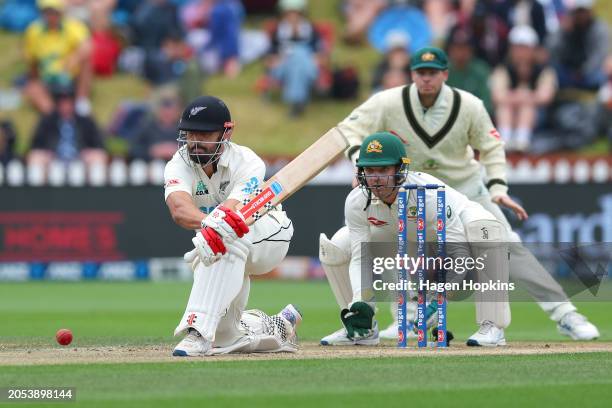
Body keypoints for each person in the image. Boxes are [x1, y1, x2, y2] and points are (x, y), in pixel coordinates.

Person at [331, 46, 599, 342]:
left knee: (506, 244)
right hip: (409, 190)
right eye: (421, 73)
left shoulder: (469, 105)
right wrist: (361, 165)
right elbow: (348, 129)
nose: (426, 79)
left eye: (433, 73)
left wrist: (497, 188)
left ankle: (564, 314)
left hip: (466, 190)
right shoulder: (387, 102)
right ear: (412, 75)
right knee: (377, 245)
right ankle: (403, 319)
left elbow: (492, 145)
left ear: (445, 74)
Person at [320, 132, 511, 347]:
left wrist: (439, 300)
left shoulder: (428, 195)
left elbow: (459, 255)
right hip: (403, 232)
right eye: (370, 170)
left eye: (383, 170)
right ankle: (362, 326)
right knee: (338, 245)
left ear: (400, 170)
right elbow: (359, 256)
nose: (375, 178)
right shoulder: (357, 201)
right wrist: (359, 300)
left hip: (457, 228)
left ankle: (493, 326)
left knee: (486, 231)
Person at [164, 95, 299, 356]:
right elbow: (179, 209)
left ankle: (197, 332)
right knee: (226, 337)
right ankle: (273, 325)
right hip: (222, 244)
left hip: (270, 234)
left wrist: (213, 226)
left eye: (203, 135)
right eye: (190, 134)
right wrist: (207, 222)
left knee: (227, 234)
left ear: (226, 133)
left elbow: (234, 212)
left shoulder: (248, 162)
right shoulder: (178, 163)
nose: (195, 142)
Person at [490, 25, 557, 152]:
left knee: (527, 106)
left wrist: (523, 97)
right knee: (504, 107)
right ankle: (505, 140)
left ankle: (522, 141)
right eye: (517, 48)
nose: (521, 52)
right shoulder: (503, 68)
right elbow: (497, 96)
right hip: (510, 112)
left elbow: (546, 96)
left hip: (538, 116)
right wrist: (522, 96)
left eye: (525, 48)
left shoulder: (544, 70)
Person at [23, 0, 92, 115]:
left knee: (87, 62)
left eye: (54, 12)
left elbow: (88, 46)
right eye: (47, 12)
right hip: (48, 78)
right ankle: (54, 114)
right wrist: (36, 80)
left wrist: (74, 59)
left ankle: (81, 102)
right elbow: (32, 62)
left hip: (70, 77)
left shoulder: (72, 26)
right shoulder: (33, 31)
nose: (50, 16)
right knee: (33, 88)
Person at [265, 0, 325, 117]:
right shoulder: (278, 31)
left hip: (307, 66)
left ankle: (296, 102)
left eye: (296, 13)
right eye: (289, 13)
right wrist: (278, 59)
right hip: (282, 68)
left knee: (298, 57)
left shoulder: (311, 30)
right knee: (297, 55)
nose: (293, 17)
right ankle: (300, 100)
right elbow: (269, 57)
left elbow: (320, 54)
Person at [27, 84, 106, 168]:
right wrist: (47, 152)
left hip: (79, 157)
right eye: (62, 103)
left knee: (98, 156)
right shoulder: (48, 120)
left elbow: (98, 143)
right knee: (35, 157)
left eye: (68, 102)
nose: (65, 106)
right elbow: (35, 144)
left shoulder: (85, 120)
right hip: (54, 158)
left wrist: (86, 152)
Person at [548, 0, 608, 90]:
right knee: (552, 69)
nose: (581, 15)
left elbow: (599, 56)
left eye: (583, 11)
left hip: (589, 72)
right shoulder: (566, 26)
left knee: (602, 73)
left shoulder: (599, 28)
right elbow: (550, 49)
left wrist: (583, 71)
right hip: (567, 71)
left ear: (590, 11)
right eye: (578, 11)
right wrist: (563, 32)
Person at [445, 27, 492, 114]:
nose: (461, 53)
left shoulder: (481, 70)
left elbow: (487, 103)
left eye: (465, 48)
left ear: (471, 50)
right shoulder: (441, 70)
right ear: (450, 50)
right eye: (457, 48)